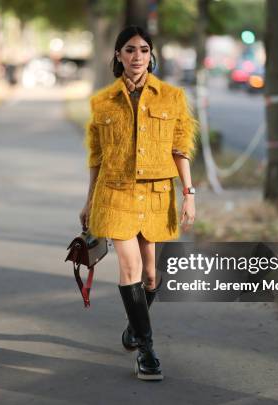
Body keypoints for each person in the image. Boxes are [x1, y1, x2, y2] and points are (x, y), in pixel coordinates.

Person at [79, 26, 197, 381]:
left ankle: (134, 328)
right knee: (129, 269)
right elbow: (96, 158)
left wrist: (189, 194)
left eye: (144, 50)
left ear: (151, 55)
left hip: (157, 195)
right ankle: (146, 350)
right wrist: (88, 200)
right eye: (129, 50)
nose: (137, 56)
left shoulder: (172, 98)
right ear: (118, 55)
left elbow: (181, 150)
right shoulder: (102, 102)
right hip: (115, 194)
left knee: (150, 275)